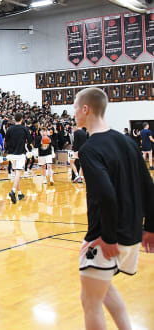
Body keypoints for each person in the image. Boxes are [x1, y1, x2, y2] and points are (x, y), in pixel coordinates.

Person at [73, 87, 154, 330]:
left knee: (90, 301)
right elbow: (148, 185)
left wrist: (106, 237)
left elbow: (106, 196)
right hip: (131, 233)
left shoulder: (89, 149)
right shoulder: (128, 142)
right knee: (102, 289)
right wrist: (150, 227)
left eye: (75, 108)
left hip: (108, 237)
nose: (74, 113)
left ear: (86, 109)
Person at [5, 113, 31, 204]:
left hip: (11, 154)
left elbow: (6, 140)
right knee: (18, 172)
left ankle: (19, 193)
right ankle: (13, 191)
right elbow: (30, 140)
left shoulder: (9, 129)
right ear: (22, 119)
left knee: (17, 174)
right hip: (20, 153)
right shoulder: (24, 129)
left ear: (14, 119)